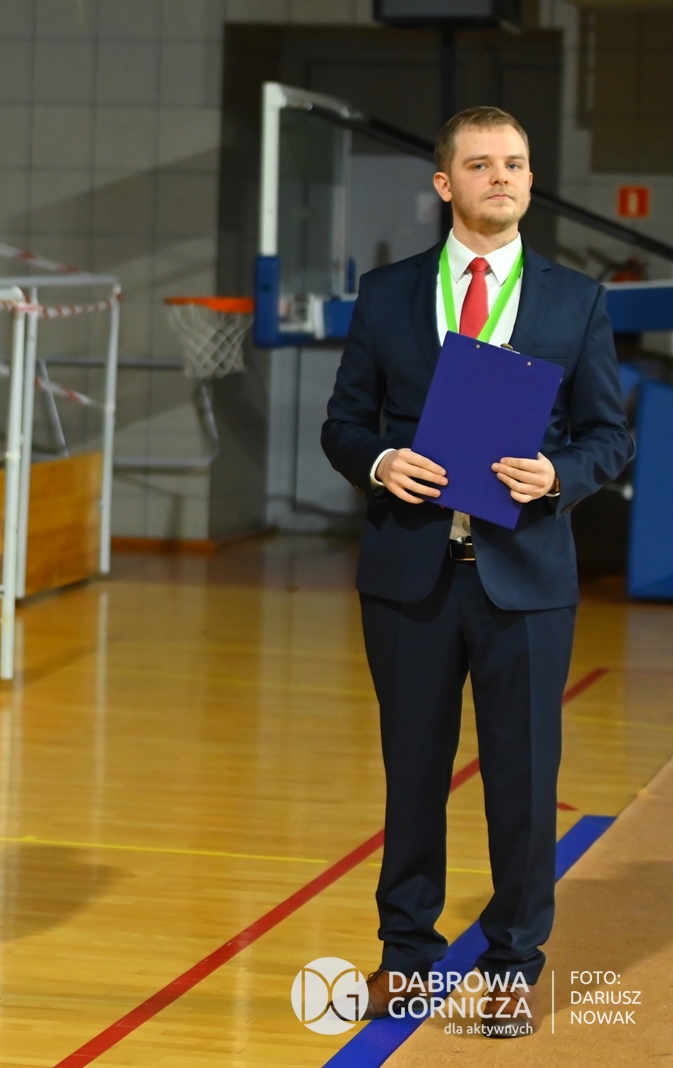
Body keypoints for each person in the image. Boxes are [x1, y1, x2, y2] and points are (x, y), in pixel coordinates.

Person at [321, 106, 631, 1037]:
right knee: (412, 774)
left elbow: (608, 436)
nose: (503, 177)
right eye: (482, 164)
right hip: (409, 575)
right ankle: (406, 956)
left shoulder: (577, 300)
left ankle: (511, 966)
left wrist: (558, 475)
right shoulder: (387, 294)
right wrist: (381, 461)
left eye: (517, 164)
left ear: (531, 180)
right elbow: (344, 423)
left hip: (525, 577)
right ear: (444, 183)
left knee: (523, 782)